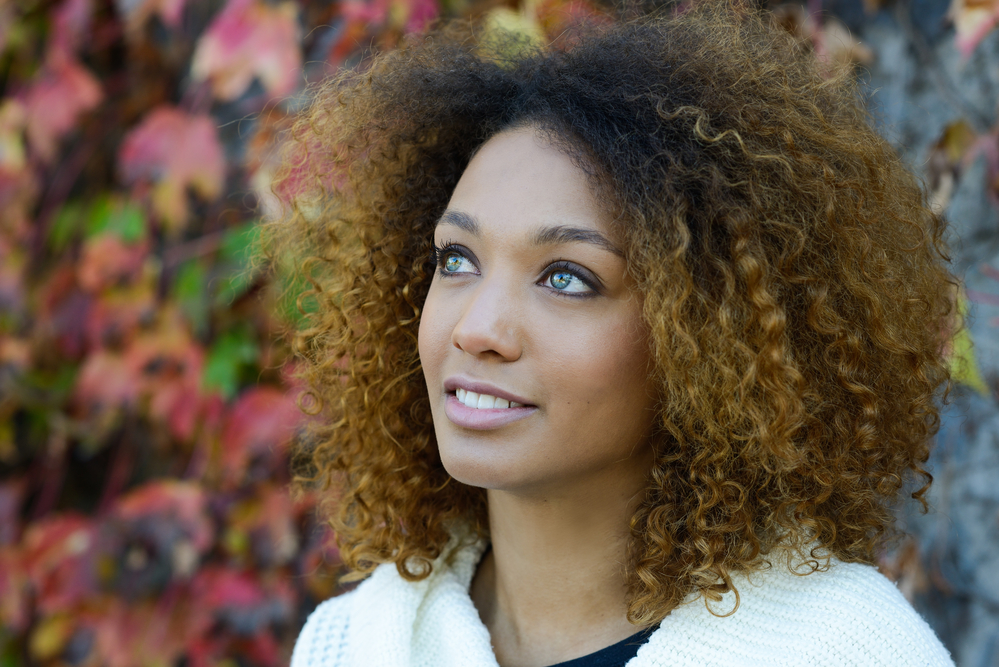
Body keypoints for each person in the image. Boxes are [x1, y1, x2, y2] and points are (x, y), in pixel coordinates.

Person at [272, 3, 957, 665]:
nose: (477, 328)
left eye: (566, 277)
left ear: (705, 336)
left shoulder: (844, 651)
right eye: (456, 260)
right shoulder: (353, 643)